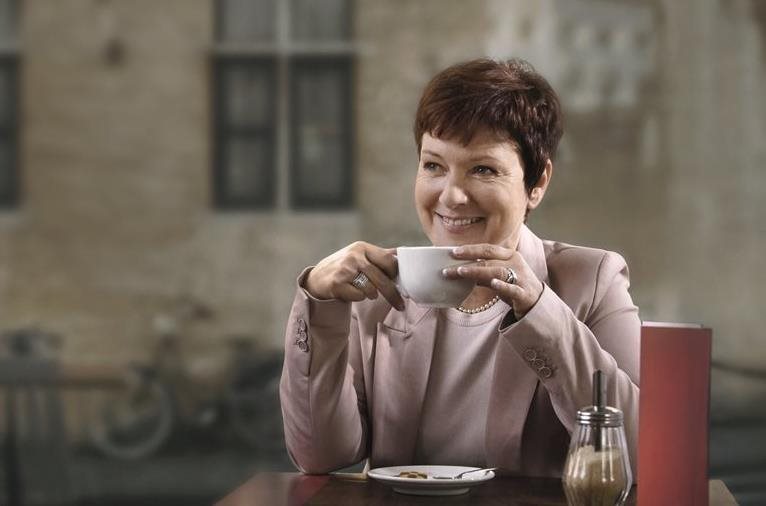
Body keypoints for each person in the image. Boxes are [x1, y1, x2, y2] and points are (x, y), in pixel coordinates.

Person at [279, 58, 639, 478]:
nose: (451, 197)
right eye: (433, 165)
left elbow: (640, 449)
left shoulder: (592, 280)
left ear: (537, 183)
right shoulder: (377, 289)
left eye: (483, 170)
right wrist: (320, 303)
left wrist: (540, 310)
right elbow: (318, 456)